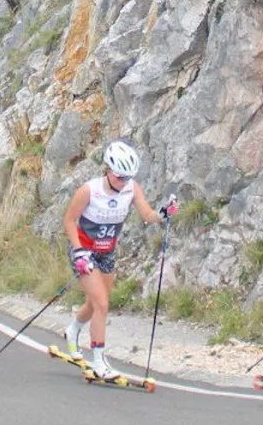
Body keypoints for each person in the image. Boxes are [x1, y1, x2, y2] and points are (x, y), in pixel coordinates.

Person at [62, 140, 178, 380]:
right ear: (108, 170)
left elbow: (147, 215)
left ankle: (72, 331)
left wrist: (163, 213)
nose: (124, 182)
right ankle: (99, 362)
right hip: (83, 251)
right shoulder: (89, 190)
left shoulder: (131, 188)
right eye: (120, 177)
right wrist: (79, 251)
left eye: (128, 177)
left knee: (95, 304)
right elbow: (69, 221)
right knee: (103, 304)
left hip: (106, 252)